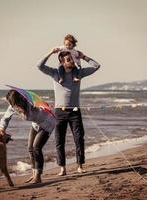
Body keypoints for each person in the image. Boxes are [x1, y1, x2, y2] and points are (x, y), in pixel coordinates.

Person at [37, 48, 100, 176]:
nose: (71, 61)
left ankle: (80, 166)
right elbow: (39, 66)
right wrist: (50, 53)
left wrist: (84, 57)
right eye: (68, 60)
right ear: (62, 62)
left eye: (71, 58)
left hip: (75, 112)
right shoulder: (55, 73)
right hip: (59, 112)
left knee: (79, 139)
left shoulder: (79, 73)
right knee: (59, 141)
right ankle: (62, 168)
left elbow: (96, 66)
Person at [0, 90, 56, 183]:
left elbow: (43, 105)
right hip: (36, 123)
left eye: (9, 101)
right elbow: (5, 118)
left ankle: (38, 176)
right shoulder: (12, 107)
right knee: (30, 148)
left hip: (47, 122)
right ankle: (34, 174)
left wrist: (44, 106)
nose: (8, 103)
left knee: (36, 147)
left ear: (15, 101)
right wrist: (2, 129)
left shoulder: (31, 103)